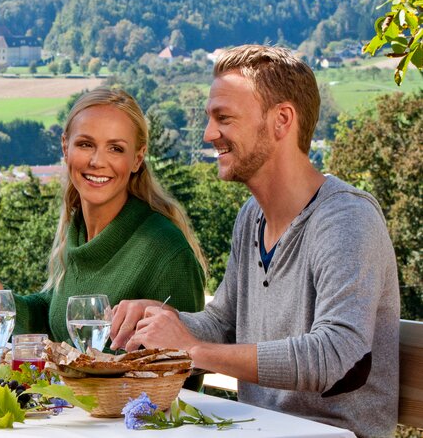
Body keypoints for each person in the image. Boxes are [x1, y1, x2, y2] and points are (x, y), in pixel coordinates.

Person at [110, 45, 400, 437]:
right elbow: (224, 323)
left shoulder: (346, 218)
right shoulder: (252, 217)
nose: (209, 134)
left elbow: (336, 354)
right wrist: (166, 321)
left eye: (223, 118)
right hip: (258, 428)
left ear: (282, 120)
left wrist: (193, 351)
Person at [0, 88, 206, 346]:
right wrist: (1, 302)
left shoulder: (166, 252)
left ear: (137, 159)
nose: (97, 161)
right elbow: (56, 322)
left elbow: (187, 370)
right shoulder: (77, 230)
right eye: (86, 144)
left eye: (116, 148)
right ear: (66, 147)